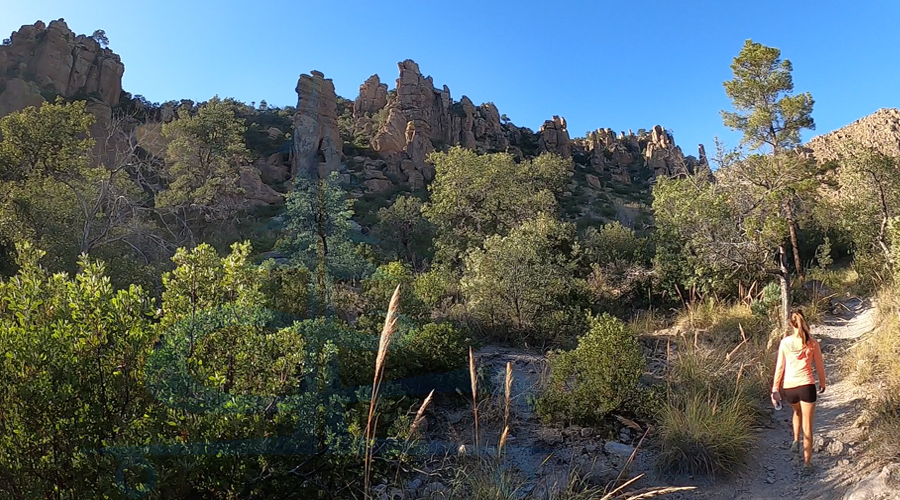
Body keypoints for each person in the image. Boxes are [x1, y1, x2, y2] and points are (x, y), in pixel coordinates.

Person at [771, 309, 827, 469]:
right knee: (808, 427)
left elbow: (780, 367)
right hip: (807, 386)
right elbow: (820, 366)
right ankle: (807, 464)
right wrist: (822, 383)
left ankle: (796, 440)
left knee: (797, 412)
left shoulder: (785, 342)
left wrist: (775, 388)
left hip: (789, 388)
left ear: (791, 324)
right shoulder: (812, 343)